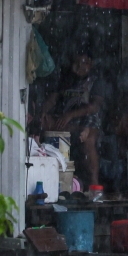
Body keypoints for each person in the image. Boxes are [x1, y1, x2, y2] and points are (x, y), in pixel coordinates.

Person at [40, 50, 108, 187]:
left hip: (87, 118)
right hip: (66, 119)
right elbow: (53, 99)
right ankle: (56, 182)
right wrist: (42, 113)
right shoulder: (67, 79)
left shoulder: (96, 81)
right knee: (48, 126)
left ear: (91, 63)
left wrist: (71, 115)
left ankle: (94, 183)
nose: (79, 67)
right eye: (76, 63)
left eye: (84, 63)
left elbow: (94, 107)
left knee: (89, 140)